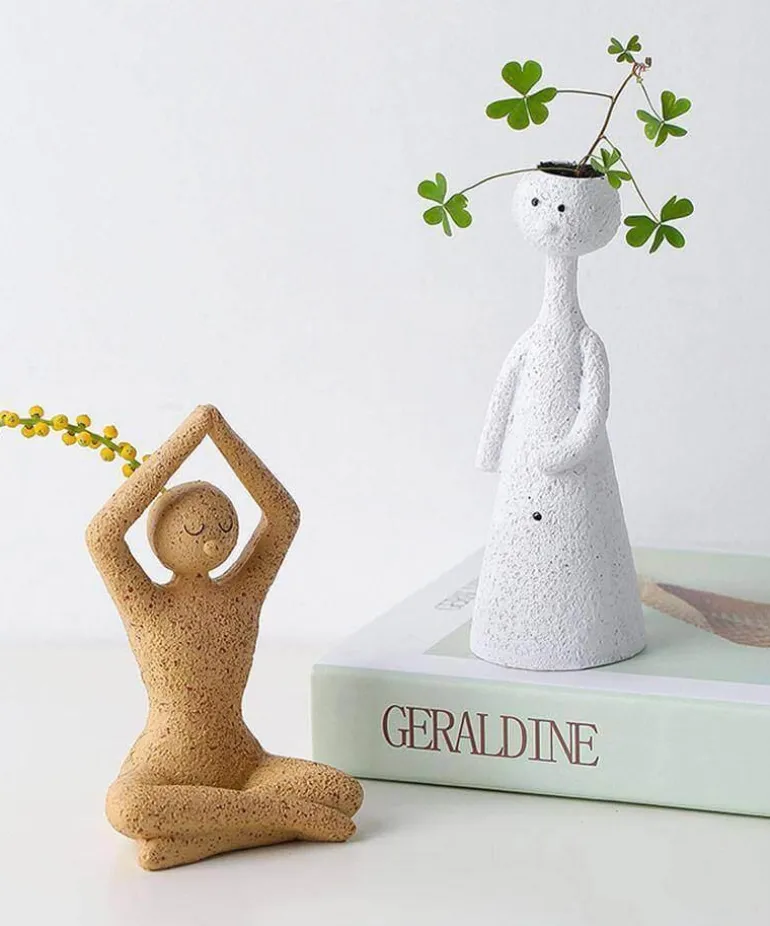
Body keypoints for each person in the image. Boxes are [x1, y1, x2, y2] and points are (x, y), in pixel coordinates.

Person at [86, 404, 362, 870]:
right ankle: (285, 817)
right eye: (195, 530)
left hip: (244, 765)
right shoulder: (146, 603)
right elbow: (102, 535)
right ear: (160, 537)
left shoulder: (243, 593)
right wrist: (187, 439)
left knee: (342, 792)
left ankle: (200, 840)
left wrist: (220, 435)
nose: (213, 541)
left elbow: (283, 515)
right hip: (163, 770)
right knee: (126, 808)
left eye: (225, 527)